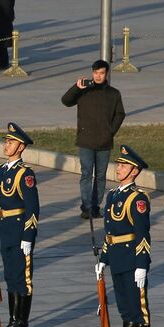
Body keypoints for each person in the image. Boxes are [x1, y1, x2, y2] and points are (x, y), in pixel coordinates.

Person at [96, 146, 153, 327]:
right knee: (125, 309)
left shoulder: (138, 199)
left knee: (138, 310)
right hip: (118, 259)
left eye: (124, 165)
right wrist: (103, 258)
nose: (118, 168)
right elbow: (110, 232)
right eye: (118, 164)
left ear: (134, 171)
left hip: (132, 260)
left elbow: (142, 234)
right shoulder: (113, 195)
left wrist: (142, 265)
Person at [0, 124, 41, 327]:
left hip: (19, 231)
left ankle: (22, 324)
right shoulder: (1, 170)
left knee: (22, 278)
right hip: (6, 230)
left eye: (10, 142)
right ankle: (12, 321)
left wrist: (28, 236)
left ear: (20, 147)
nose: (6, 145)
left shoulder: (25, 174)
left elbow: (32, 208)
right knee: (10, 277)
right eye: (6, 141)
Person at [61, 60, 126, 219]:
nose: (98, 76)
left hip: (104, 141)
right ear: (92, 73)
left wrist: (111, 131)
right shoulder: (84, 90)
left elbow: (120, 114)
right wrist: (76, 87)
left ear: (106, 74)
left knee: (101, 176)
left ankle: (96, 206)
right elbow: (66, 101)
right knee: (86, 174)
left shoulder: (113, 93)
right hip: (86, 140)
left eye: (101, 73)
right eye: (95, 73)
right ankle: (86, 207)